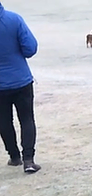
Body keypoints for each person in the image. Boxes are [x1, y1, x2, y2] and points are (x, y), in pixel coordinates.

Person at [0, 2, 41, 174]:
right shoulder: (14, 19)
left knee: (3, 121)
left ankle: (14, 156)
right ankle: (29, 160)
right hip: (21, 80)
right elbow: (30, 48)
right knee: (26, 119)